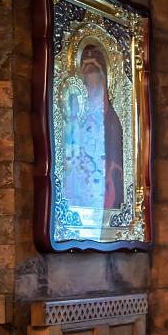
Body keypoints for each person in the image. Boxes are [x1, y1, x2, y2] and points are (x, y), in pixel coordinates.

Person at [61, 42, 124, 216]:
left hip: (101, 178)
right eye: (86, 77)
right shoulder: (73, 111)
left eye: (95, 75)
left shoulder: (111, 118)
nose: (91, 83)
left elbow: (116, 151)